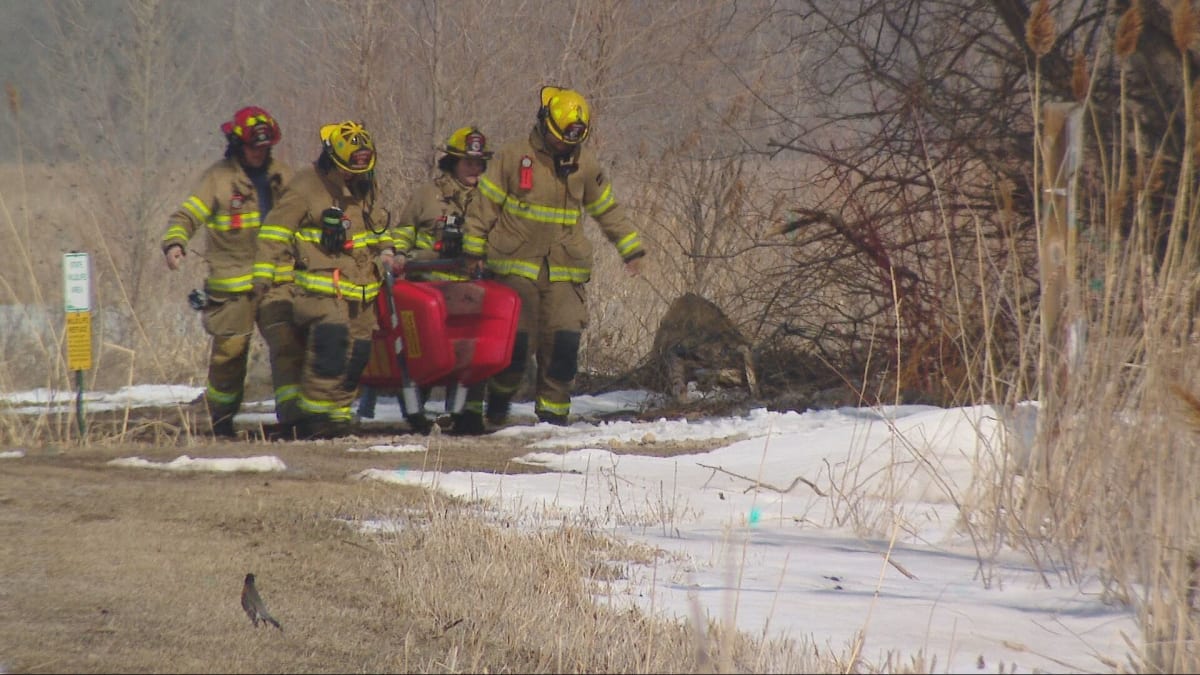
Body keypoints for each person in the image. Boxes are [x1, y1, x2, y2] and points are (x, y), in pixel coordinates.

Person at [463, 86, 646, 427]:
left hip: (565, 269)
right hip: (516, 268)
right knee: (515, 349)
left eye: (572, 141)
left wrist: (630, 248)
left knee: (563, 344)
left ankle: (553, 419)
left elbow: (606, 208)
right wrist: (473, 249)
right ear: (545, 124)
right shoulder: (513, 156)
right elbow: (483, 206)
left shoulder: (584, 164)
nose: (565, 146)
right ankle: (498, 402)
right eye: (561, 139)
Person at [252, 120, 396, 439]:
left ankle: (338, 416)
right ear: (332, 160)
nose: (353, 176)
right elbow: (275, 232)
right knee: (330, 348)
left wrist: (387, 251)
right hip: (322, 288)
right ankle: (313, 420)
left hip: (362, 290)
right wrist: (263, 275)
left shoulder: (366, 184)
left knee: (357, 355)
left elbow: (378, 226)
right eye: (348, 170)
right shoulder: (306, 186)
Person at [161, 105, 295, 437]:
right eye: (253, 147)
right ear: (237, 145)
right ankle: (221, 421)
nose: (259, 153)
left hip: (277, 279)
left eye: (265, 147)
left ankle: (294, 420)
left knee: (288, 345)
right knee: (230, 355)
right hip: (232, 286)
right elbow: (186, 216)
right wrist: (175, 244)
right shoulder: (217, 180)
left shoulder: (284, 176)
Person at [379, 125, 494, 435]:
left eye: (480, 162)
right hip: (426, 287)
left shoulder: (490, 198)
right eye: (469, 162)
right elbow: (404, 231)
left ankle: (469, 415)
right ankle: (418, 412)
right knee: (426, 351)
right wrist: (396, 254)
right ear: (453, 162)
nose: (475, 168)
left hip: (470, 287)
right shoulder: (427, 195)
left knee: (472, 352)